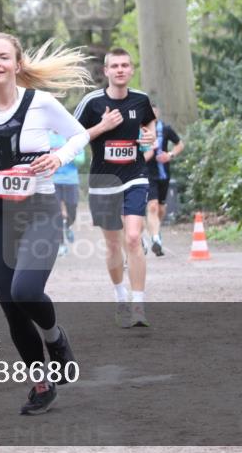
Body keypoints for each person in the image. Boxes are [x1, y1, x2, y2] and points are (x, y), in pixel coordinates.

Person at [0, 32, 91, 416]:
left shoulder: (40, 103)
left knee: (26, 289)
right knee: (11, 305)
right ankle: (41, 384)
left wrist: (57, 158)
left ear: (17, 63)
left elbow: (79, 135)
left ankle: (56, 340)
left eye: (3, 57)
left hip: (40, 209)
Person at [73, 48, 156, 328]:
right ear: (106, 71)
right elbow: (73, 136)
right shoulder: (92, 102)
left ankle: (138, 306)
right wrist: (102, 126)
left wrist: (151, 135)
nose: (120, 70)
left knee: (133, 238)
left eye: (125, 65)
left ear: (131, 70)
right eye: (114, 66)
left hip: (135, 176)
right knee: (113, 246)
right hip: (103, 182)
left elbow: (150, 123)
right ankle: (120, 296)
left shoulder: (141, 100)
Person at [142, 105, 184, 257]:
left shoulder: (166, 129)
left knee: (160, 209)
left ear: (158, 112)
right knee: (152, 207)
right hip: (147, 174)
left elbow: (180, 144)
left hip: (163, 174)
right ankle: (155, 239)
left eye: (154, 111)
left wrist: (170, 154)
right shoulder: (141, 131)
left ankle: (155, 231)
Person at [48, 130, 86, 256]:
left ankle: (68, 226)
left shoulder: (72, 137)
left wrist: (68, 154)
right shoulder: (46, 137)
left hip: (70, 180)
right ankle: (61, 245)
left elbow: (81, 161)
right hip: (52, 180)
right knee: (56, 213)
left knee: (72, 209)